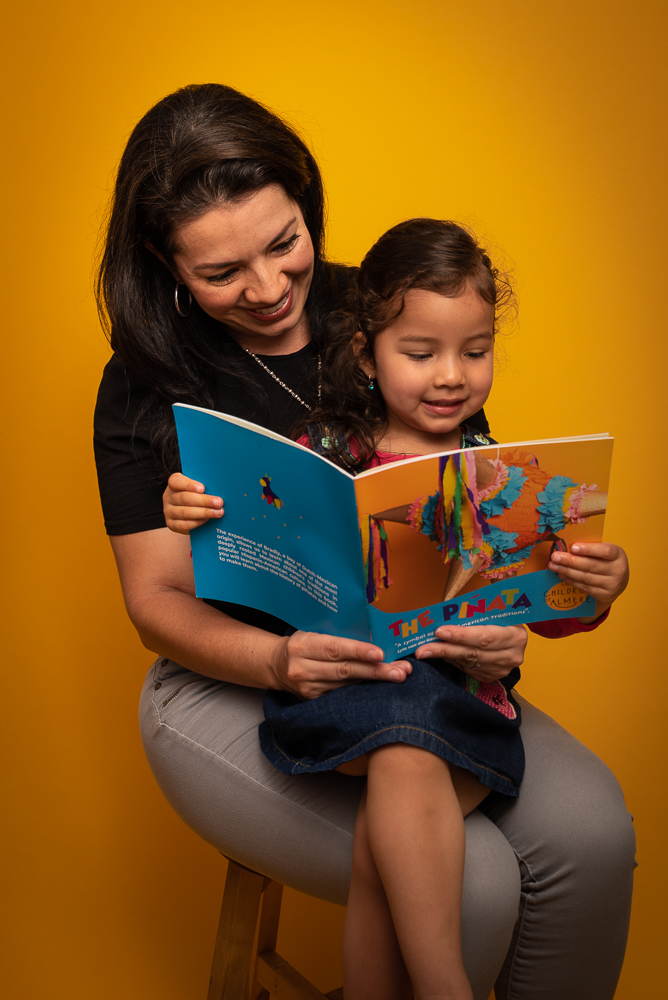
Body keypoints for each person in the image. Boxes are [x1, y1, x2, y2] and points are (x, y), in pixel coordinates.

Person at [94, 83, 636, 1000]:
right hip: (232, 676)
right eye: (222, 272)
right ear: (164, 260)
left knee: (594, 836)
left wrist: (514, 622)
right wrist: (279, 658)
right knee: (474, 881)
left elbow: (469, 520)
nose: (268, 289)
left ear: (307, 203)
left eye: (284, 244)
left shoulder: (392, 306)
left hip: (420, 666)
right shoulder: (142, 381)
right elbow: (154, 602)